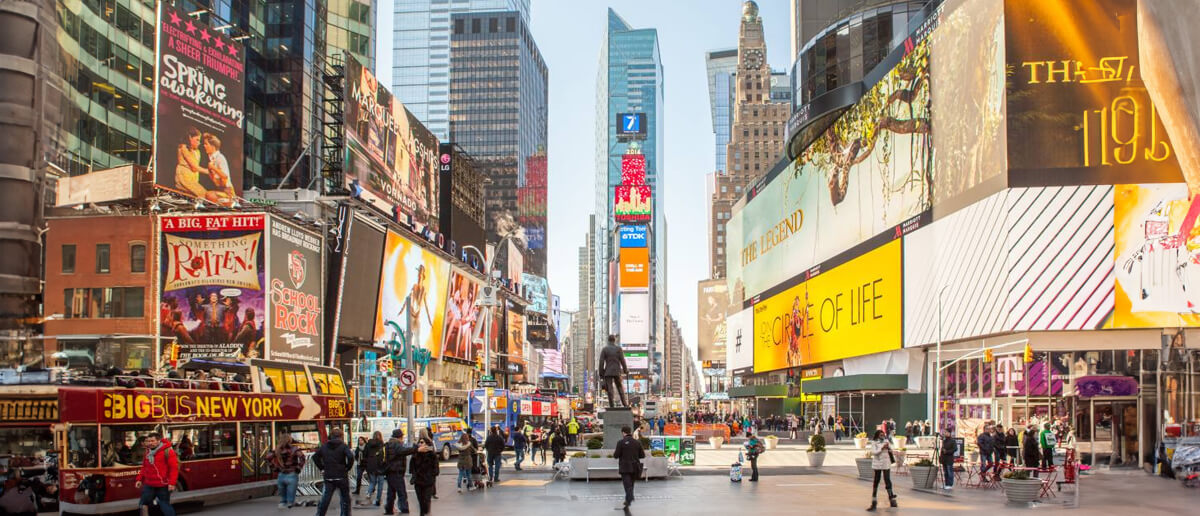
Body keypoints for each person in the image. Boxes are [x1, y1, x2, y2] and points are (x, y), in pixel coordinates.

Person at [135, 432, 179, 516]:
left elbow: (173, 469)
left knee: (164, 504)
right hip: (149, 484)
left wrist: (172, 483)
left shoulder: (168, 451)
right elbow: (144, 467)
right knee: (143, 504)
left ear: (158, 441)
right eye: (148, 441)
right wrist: (139, 479)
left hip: (163, 484)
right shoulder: (147, 451)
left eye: (152, 441)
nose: (150, 443)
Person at [313, 428, 354, 516]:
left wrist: (322, 468)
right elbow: (350, 457)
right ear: (341, 436)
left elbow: (315, 457)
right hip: (341, 475)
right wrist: (347, 467)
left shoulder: (324, 446)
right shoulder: (343, 446)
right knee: (345, 498)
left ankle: (320, 514)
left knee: (326, 498)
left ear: (331, 436)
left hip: (329, 475)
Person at [383, 429, 418, 515]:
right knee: (401, 492)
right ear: (399, 437)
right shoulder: (396, 444)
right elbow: (403, 451)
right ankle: (404, 509)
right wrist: (415, 448)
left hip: (389, 472)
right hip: (396, 471)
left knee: (391, 492)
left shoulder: (388, 444)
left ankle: (389, 510)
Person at [266, 433, 305, 509]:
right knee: (291, 498)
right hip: (292, 473)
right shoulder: (294, 449)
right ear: (289, 440)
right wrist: (298, 467)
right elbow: (302, 458)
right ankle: (290, 506)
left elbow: (268, 458)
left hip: (281, 474)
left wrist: (274, 468)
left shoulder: (277, 450)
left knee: (283, 498)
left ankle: (283, 504)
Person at [612, 426, 645, 509]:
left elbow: (616, 456)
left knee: (627, 484)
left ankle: (629, 498)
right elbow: (642, 455)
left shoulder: (620, 442)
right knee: (631, 484)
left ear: (623, 433)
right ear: (630, 432)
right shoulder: (637, 442)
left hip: (625, 466)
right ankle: (628, 500)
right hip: (635, 466)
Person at [867, 430, 897, 511]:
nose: (882, 436)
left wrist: (889, 448)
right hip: (877, 463)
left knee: (887, 480)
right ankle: (874, 502)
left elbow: (891, 451)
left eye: (883, 435)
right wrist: (882, 448)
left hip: (886, 463)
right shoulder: (874, 442)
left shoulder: (886, 441)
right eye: (880, 435)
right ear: (877, 435)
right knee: (876, 481)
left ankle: (892, 498)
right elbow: (874, 452)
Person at [409, 437, 439, 516]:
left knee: (426, 499)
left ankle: (426, 511)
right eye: (419, 442)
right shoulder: (415, 455)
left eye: (422, 442)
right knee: (420, 500)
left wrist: (432, 475)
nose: (420, 444)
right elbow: (412, 467)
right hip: (418, 481)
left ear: (427, 444)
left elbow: (436, 468)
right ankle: (422, 513)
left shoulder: (432, 455)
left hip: (428, 481)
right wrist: (413, 476)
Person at [597, 335, 629, 407]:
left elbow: (601, 362)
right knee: (620, 388)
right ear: (614, 340)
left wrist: (601, 373)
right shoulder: (618, 349)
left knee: (610, 389)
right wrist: (625, 370)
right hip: (617, 371)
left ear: (608, 340)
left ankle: (612, 405)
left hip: (608, 372)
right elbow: (622, 361)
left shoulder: (605, 349)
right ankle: (625, 404)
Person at [362, 431, 386, 507]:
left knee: (372, 481)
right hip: (380, 466)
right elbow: (384, 456)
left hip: (371, 466)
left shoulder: (368, 444)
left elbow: (364, 454)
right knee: (380, 484)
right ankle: (378, 498)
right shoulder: (382, 444)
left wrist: (367, 463)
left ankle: (369, 493)